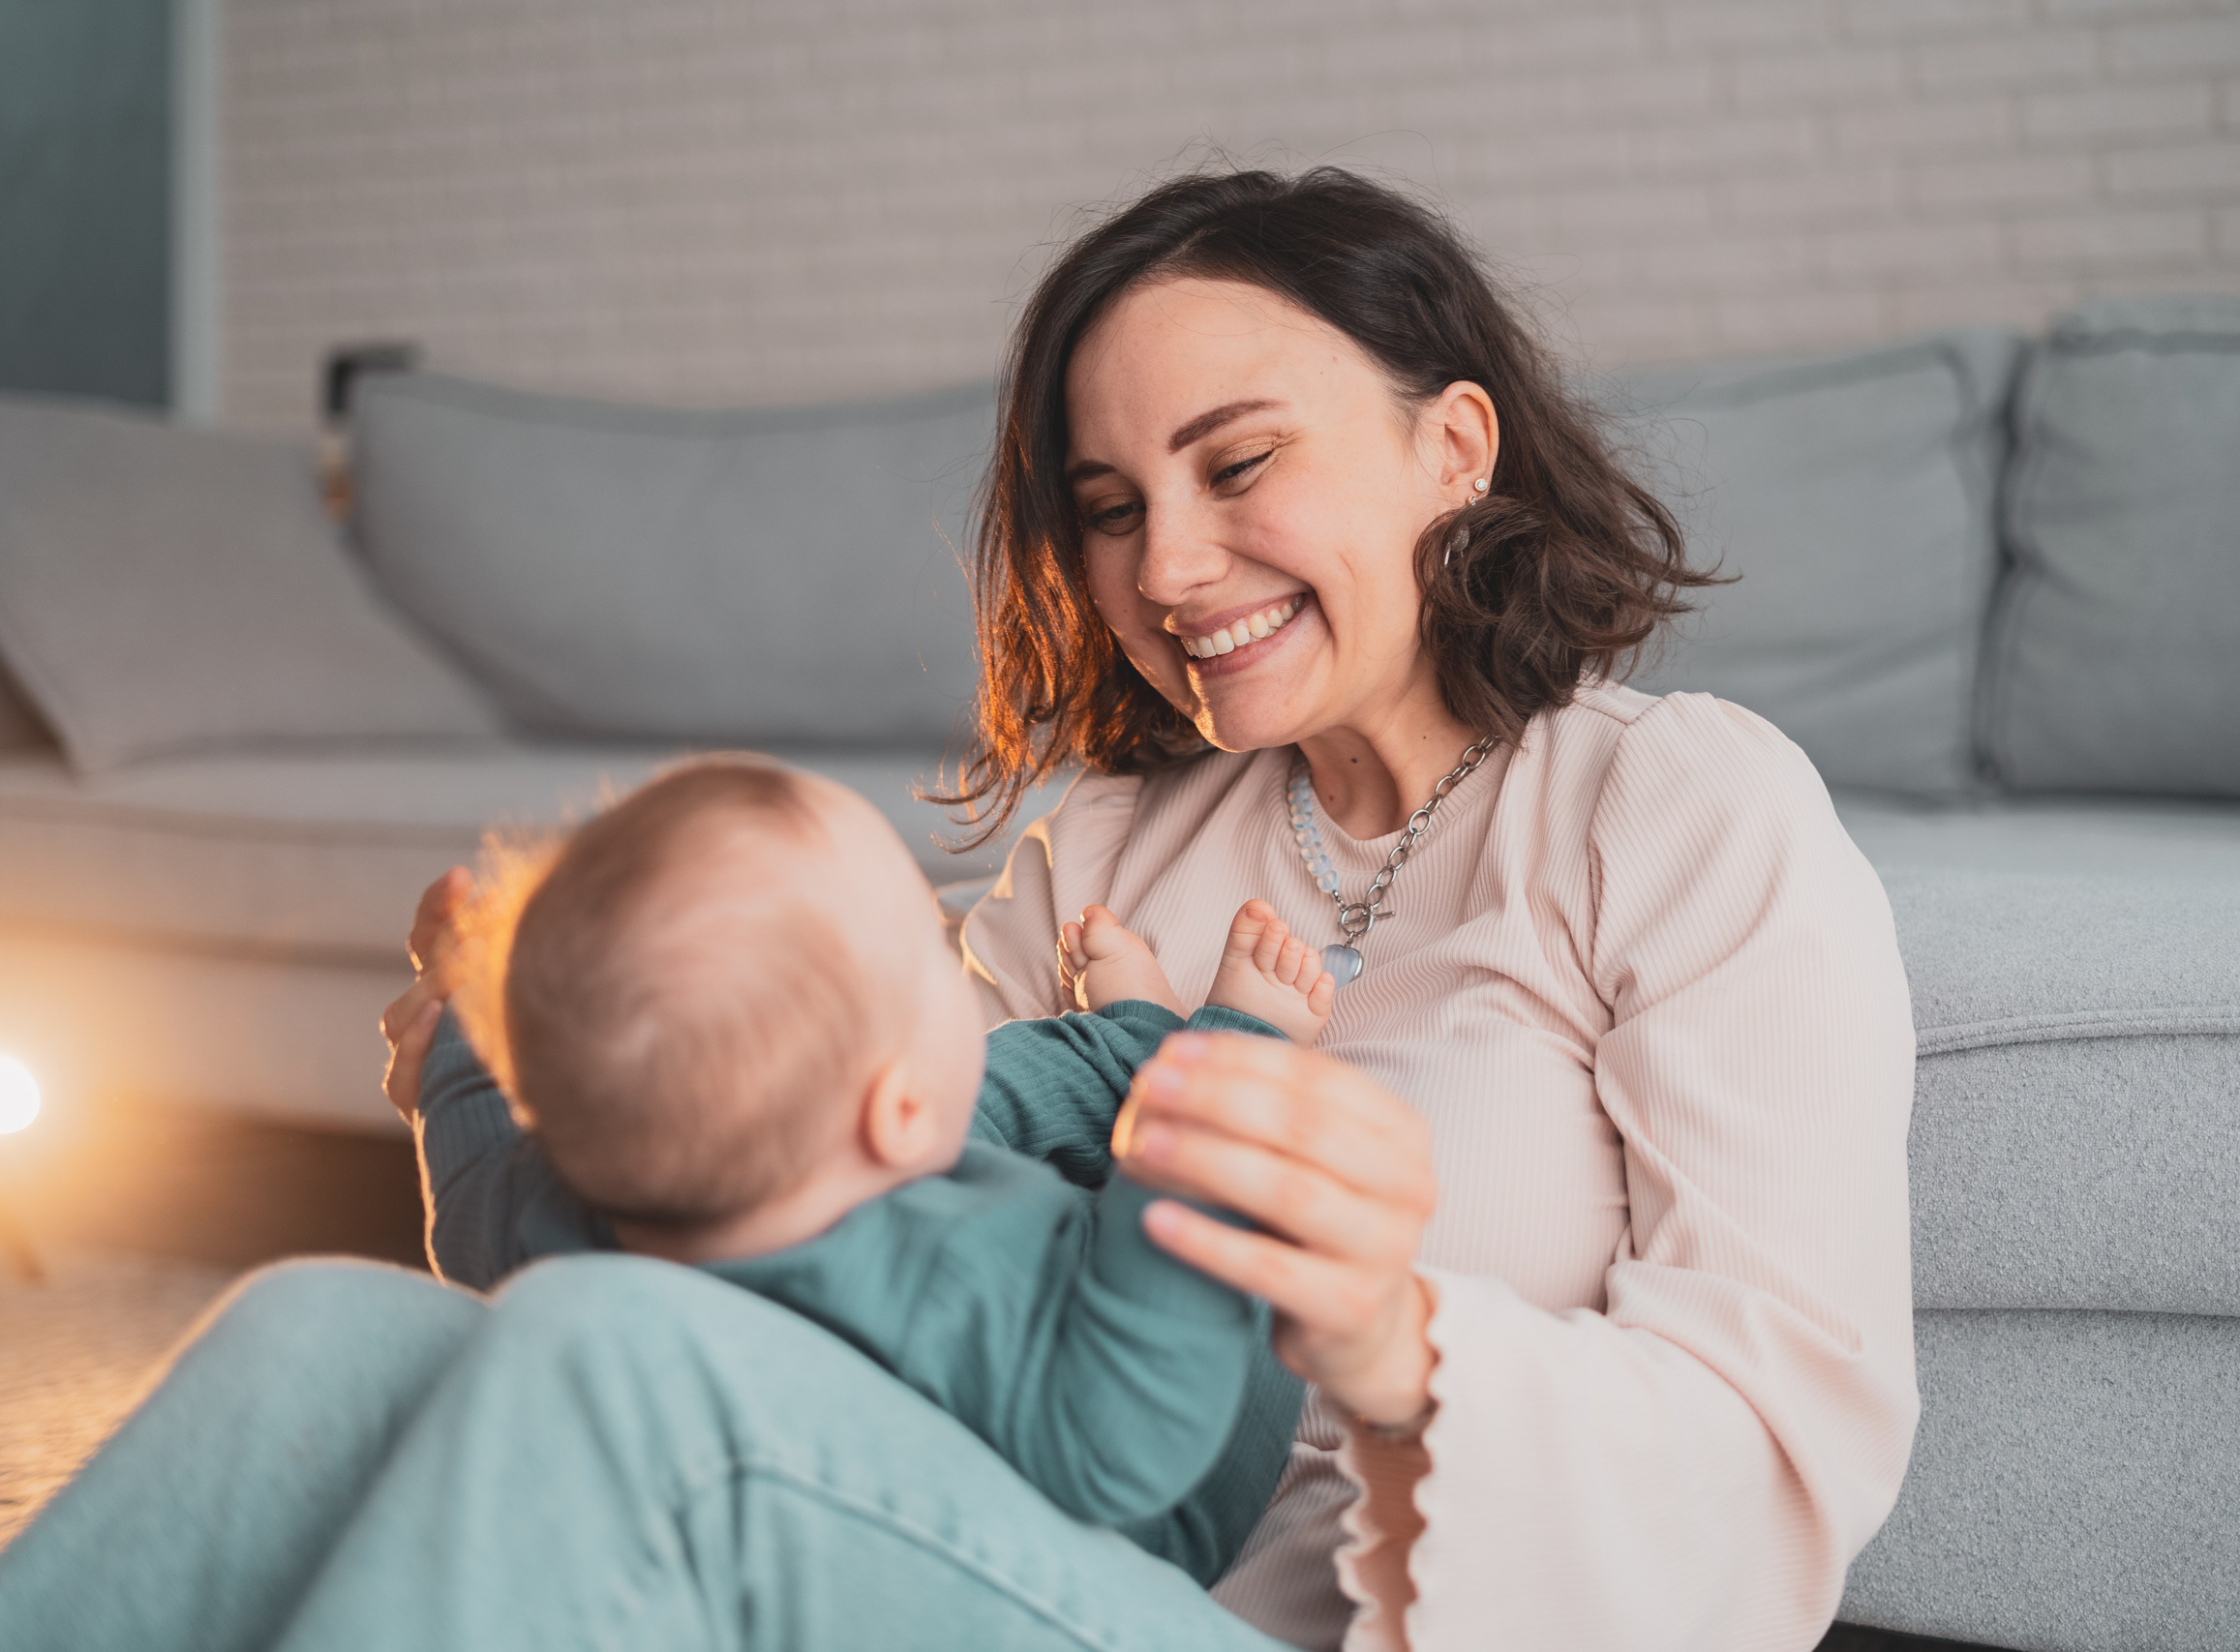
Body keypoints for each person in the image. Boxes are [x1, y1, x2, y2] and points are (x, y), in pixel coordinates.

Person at [0, 165, 1916, 1652]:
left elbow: (1783, 1456)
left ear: (1454, 447)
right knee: (314, 1333)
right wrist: (523, 1081)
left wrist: (1388, 1333)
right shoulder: (1103, 849)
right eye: (1104, 504)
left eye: (1236, 464)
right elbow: (834, 1230)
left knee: (620, 1372)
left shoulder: (1678, 807)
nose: (1165, 564)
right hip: (987, 1542)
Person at [416, 752, 1331, 1570]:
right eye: (934, 946)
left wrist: (461, 1015)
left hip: (870, 1221)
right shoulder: (950, 1276)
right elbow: (1132, 1431)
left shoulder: (545, 1217)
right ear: (896, 1112)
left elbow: (468, 1180)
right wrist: (1212, 1099)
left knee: (934, 1104)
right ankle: (1181, 1054)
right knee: (1116, 1162)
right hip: (1140, 1502)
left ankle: (1136, 1042)